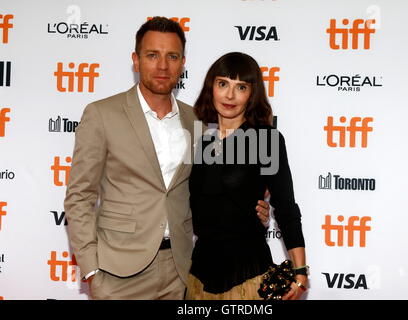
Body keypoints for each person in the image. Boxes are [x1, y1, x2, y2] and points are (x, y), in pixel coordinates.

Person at [64, 18, 269, 300]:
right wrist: (91, 270)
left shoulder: (196, 120)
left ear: (182, 63)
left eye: (172, 56)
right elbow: (79, 195)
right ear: (136, 61)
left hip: (180, 270)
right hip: (118, 273)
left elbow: (214, 186)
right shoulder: (101, 114)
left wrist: (252, 208)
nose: (163, 66)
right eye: (152, 55)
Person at [186, 52, 307, 300]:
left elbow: (286, 207)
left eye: (240, 87)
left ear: (252, 94)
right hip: (197, 278)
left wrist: (300, 271)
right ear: (211, 88)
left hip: (248, 280)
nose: (230, 95)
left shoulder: (267, 140)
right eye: (223, 84)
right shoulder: (200, 139)